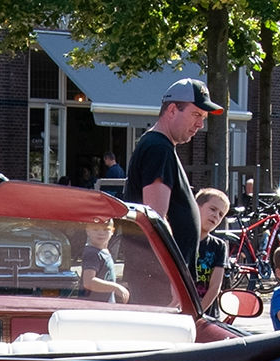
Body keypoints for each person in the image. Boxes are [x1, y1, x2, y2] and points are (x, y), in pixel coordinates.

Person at [124, 78, 224, 275]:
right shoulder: (159, 149)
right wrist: (174, 275)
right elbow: (155, 218)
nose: (200, 124)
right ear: (171, 110)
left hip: (157, 275)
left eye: (203, 117)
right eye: (195, 114)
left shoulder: (159, 146)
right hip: (158, 278)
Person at [193, 188, 230, 315]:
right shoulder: (180, 240)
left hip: (205, 313)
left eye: (221, 214)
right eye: (213, 209)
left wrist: (198, 313)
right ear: (196, 206)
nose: (216, 216)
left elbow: (215, 286)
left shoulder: (219, 246)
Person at [79, 218, 128, 303]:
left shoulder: (104, 252)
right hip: (92, 307)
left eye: (106, 229)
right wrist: (115, 287)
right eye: (95, 229)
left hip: (104, 305)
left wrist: (120, 285)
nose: (101, 233)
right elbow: (88, 282)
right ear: (87, 231)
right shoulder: (92, 253)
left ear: (112, 231)